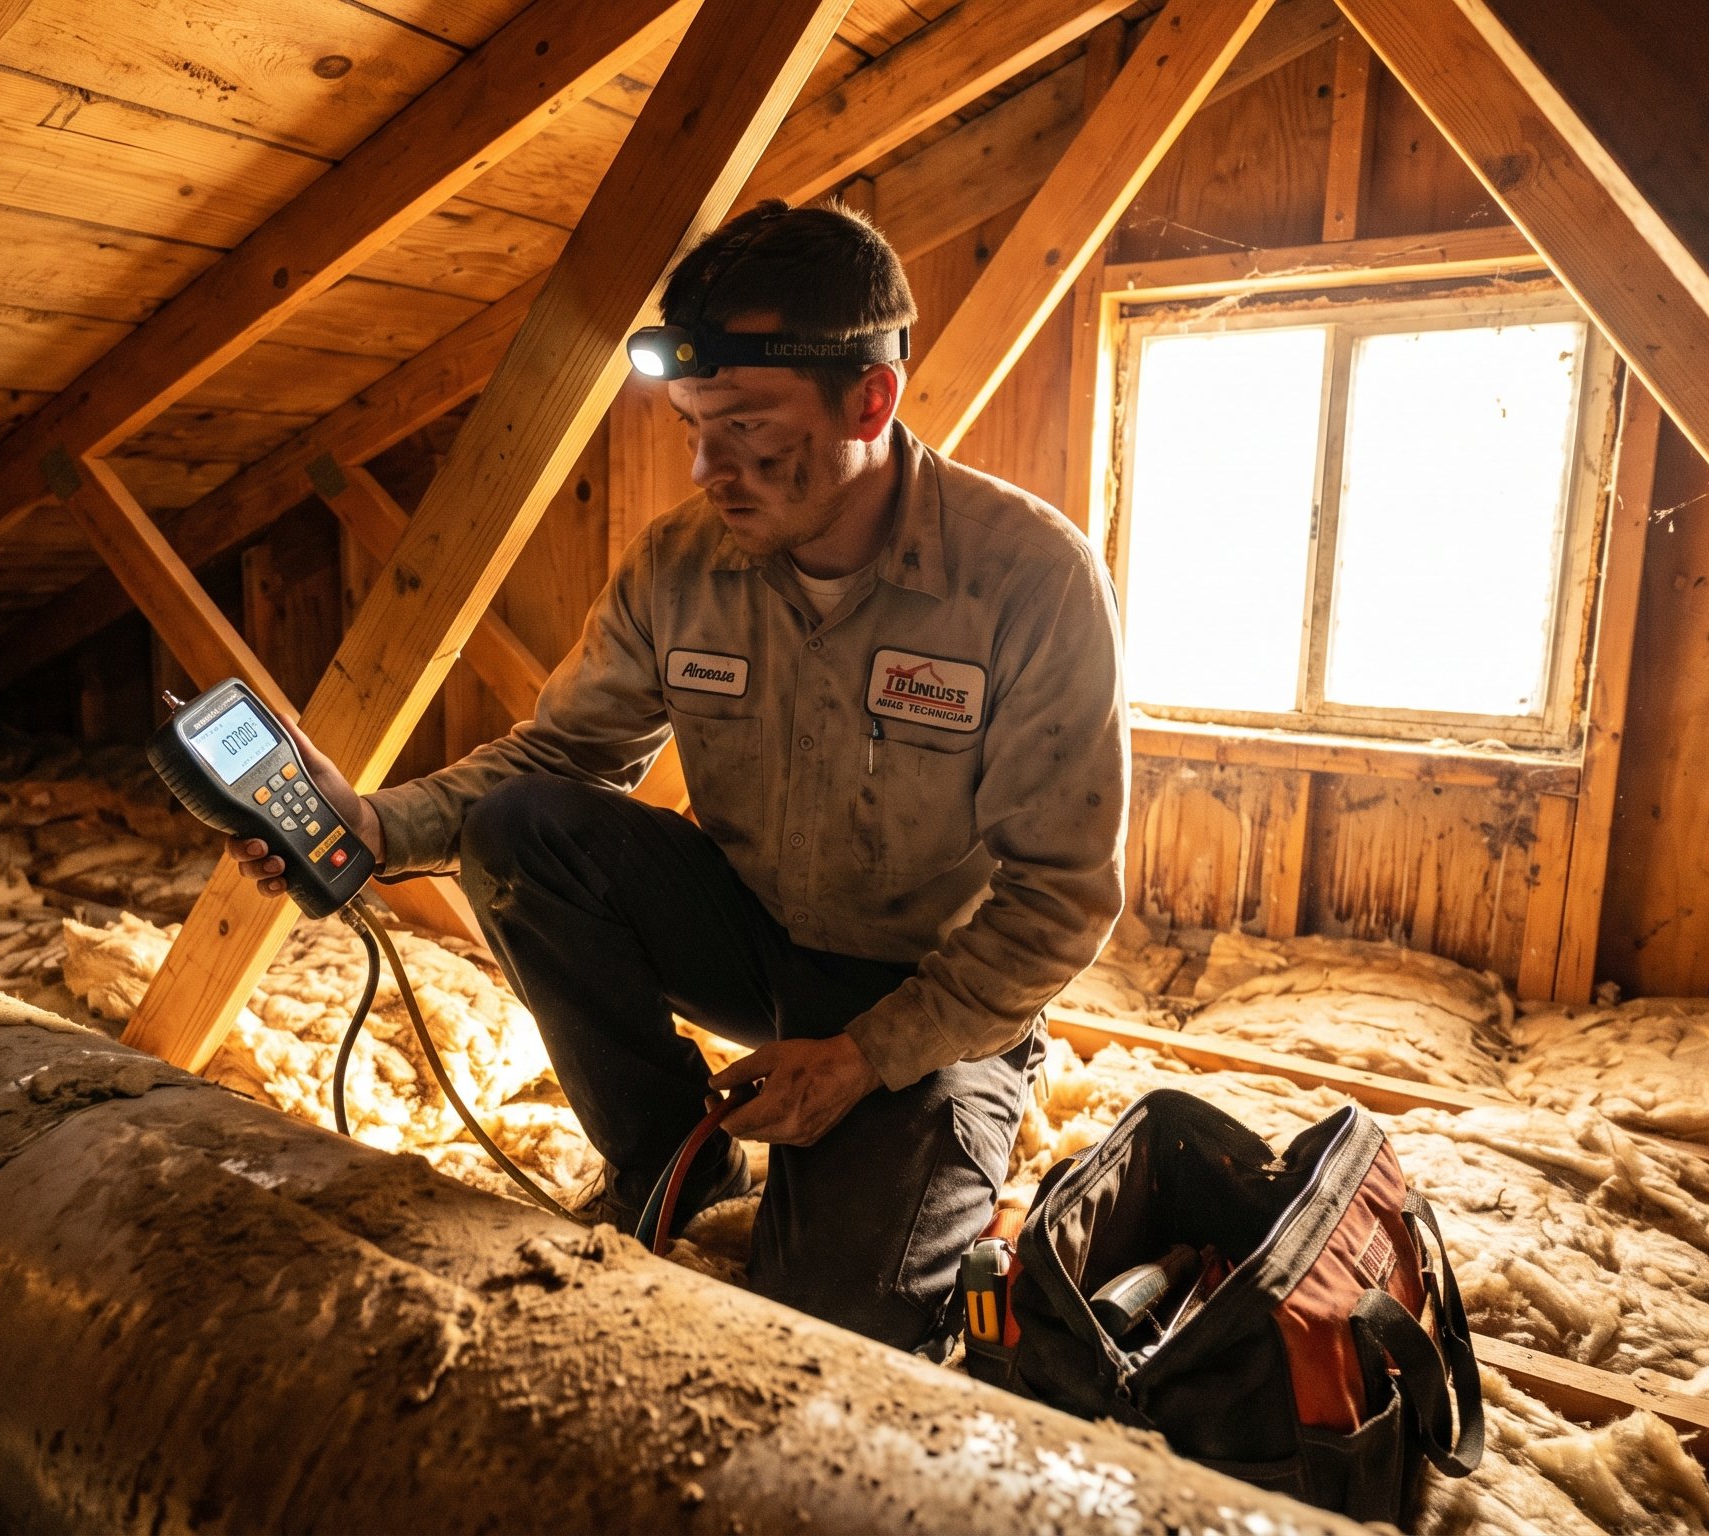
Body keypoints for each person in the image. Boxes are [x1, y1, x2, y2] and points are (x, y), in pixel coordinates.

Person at [225, 200, 1127, 1352]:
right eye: (695, 425)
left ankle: (922, 1159)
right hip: (749, 937)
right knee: (520, 828)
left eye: (748, 428)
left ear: (871, 399)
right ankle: (668, 1161)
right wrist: (371, 825)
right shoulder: (683, 565)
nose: (707, 468)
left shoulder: (1029, 580)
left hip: (927, 995)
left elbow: (1061, 898)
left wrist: (863, 1059)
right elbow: (560, 758)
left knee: (835, 1332)